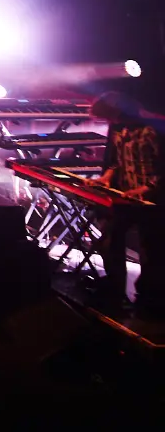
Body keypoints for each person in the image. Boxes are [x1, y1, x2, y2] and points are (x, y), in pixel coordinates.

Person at [92, 92, 162, 318]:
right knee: (109, 239)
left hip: (153, 199)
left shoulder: (154, 129)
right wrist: (107, 177)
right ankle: (115, 291)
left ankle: (148, 300)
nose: (112, 123)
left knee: (150, 249)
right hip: (125, 196)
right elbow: (114, 161)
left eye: (113, 117)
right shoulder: (117, 128)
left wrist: (147, 189)